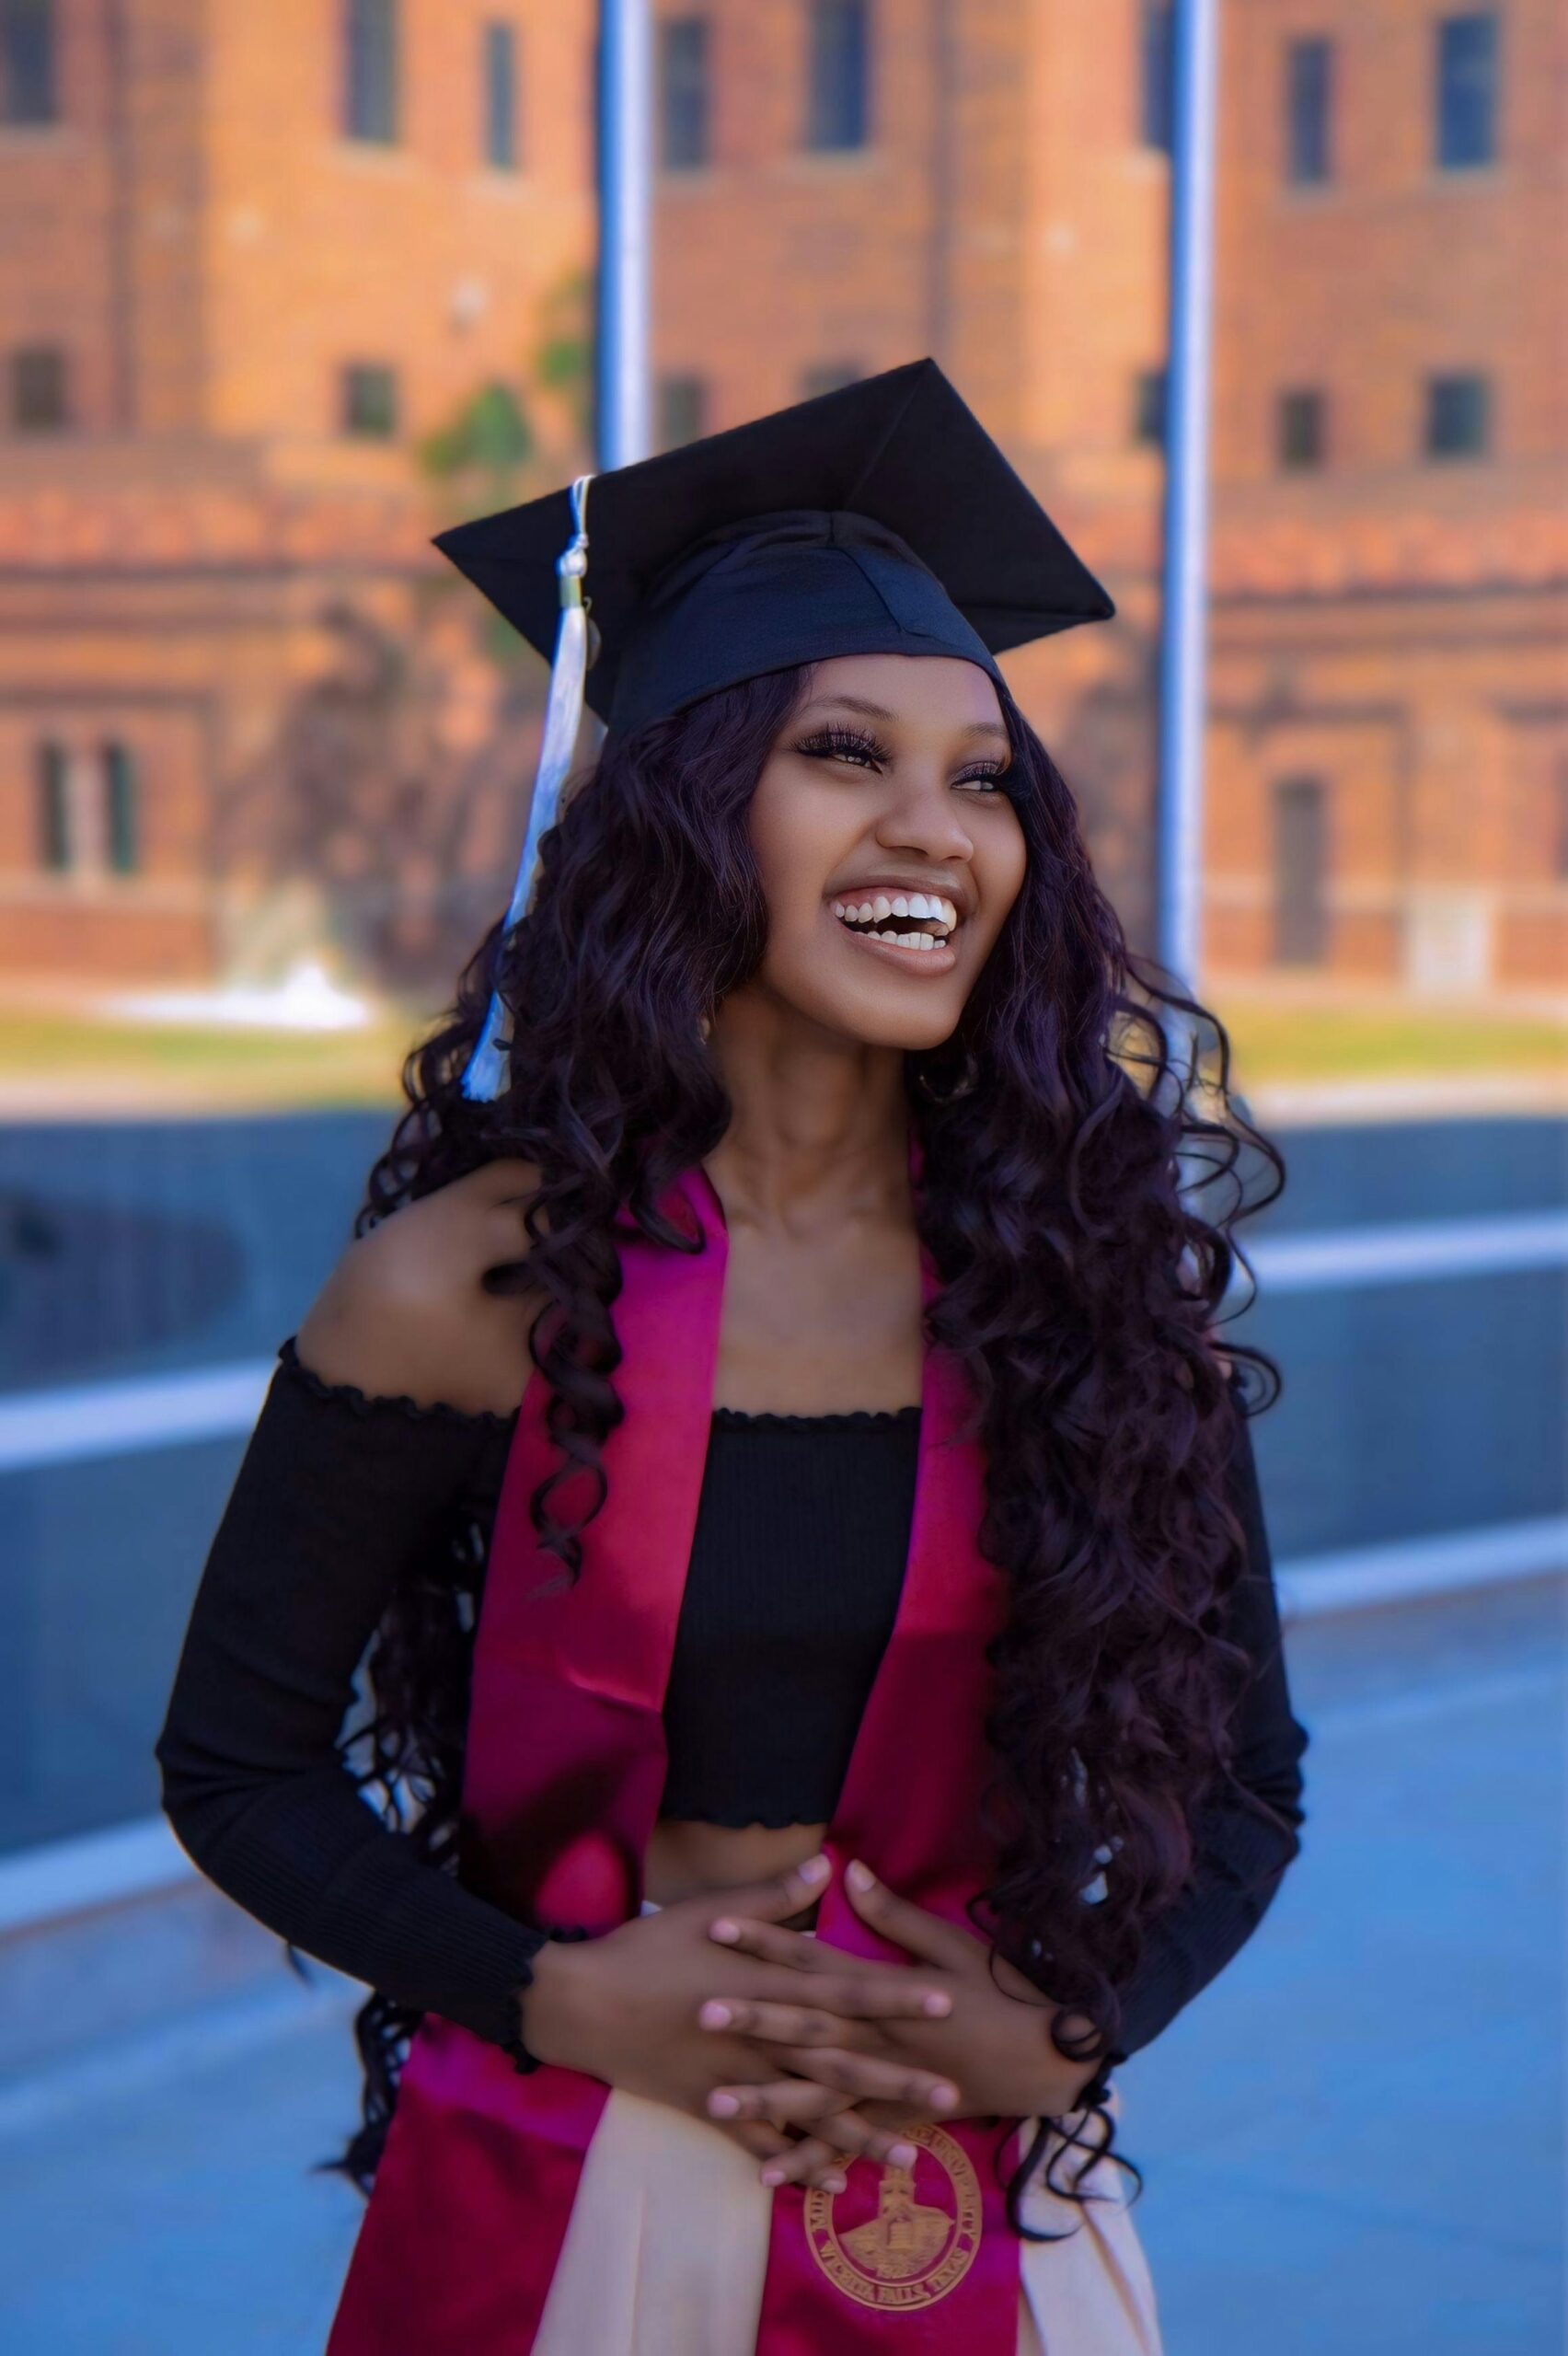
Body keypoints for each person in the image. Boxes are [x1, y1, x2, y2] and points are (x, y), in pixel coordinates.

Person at [156, 359, 1309, 2354]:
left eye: (982, 778)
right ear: (693, 811)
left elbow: (1259, 1782)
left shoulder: (1081, 1287)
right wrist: (542, 1986)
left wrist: (1064, 2023)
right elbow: (236, 1763)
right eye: (845, 752)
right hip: (578, 2170)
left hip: (973, 2185)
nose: (932, 828)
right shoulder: (466, 1289)